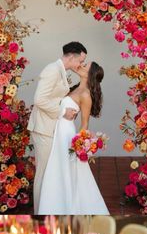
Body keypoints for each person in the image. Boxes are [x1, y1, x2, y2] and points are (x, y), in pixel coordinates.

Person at [38, 61, 109, 215]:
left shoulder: (85, 95)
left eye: (85, 67)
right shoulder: (76, 88)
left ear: (90, 74)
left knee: (65, 169)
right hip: (59, 131)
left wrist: (78, 145)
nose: (81, 66)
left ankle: (68, 205)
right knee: (57, 169)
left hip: (67, 135)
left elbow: (84, 124)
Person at [28, 42, 87, 213]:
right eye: (80, 61)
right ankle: (38, 212)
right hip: (43, 128)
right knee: (43, 174)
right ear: (70, 56)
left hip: (50, 127)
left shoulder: (60, 71)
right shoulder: (52, 70)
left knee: (49, 173)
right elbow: (40, 99)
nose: (81, 65)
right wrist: (62, 111)